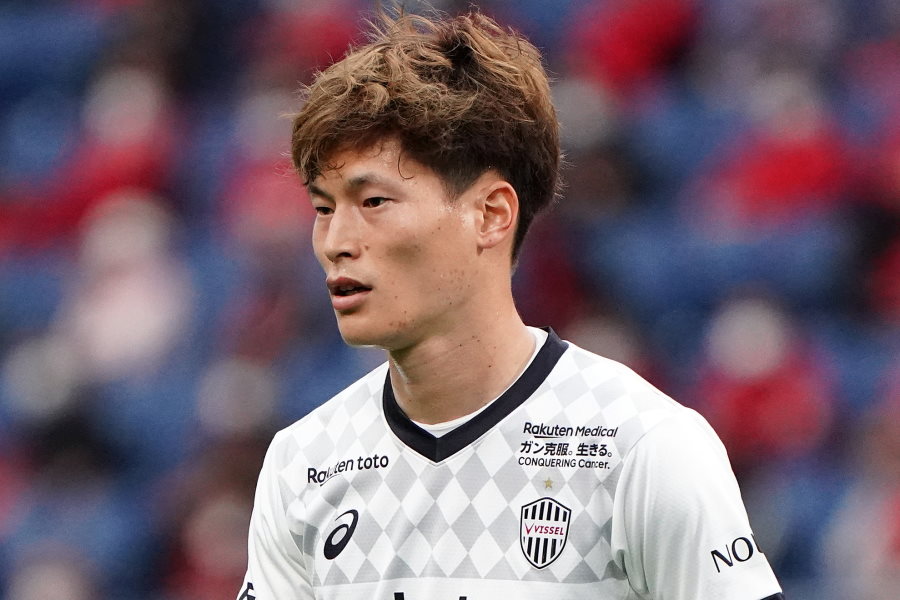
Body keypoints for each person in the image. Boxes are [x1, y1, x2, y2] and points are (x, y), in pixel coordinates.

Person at [238, 8, 785, 600]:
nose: (336, 242)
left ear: (491, 214)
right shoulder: (304, 463)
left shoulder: (642, 447)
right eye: (323, 208)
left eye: (373, 202)